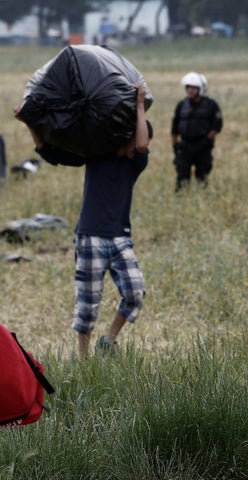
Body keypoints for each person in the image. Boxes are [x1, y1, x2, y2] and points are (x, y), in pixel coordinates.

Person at [15, 84, 151, 358]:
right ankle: (84, 359)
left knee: (135, 292)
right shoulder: (96, 156)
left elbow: (142, 143)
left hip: (120, 237)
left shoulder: (136, 162)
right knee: (87, 304)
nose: (129, 141)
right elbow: (50, 152)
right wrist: (30, 122)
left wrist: (138, 105)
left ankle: (108, 341)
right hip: (89, 236)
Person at [171, 72, 223, 191]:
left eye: (194, 88)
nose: (190, 90)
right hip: (185, 146)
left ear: (200, 89)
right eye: (188, 87)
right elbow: (174, 128)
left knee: (202, 177)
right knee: (182, 178)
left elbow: (217, 125)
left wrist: (207, 140)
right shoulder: (182, 105)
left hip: (203, 147)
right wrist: (175, 146)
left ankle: (202, 199)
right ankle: (181, 199)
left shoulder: (211, 105)